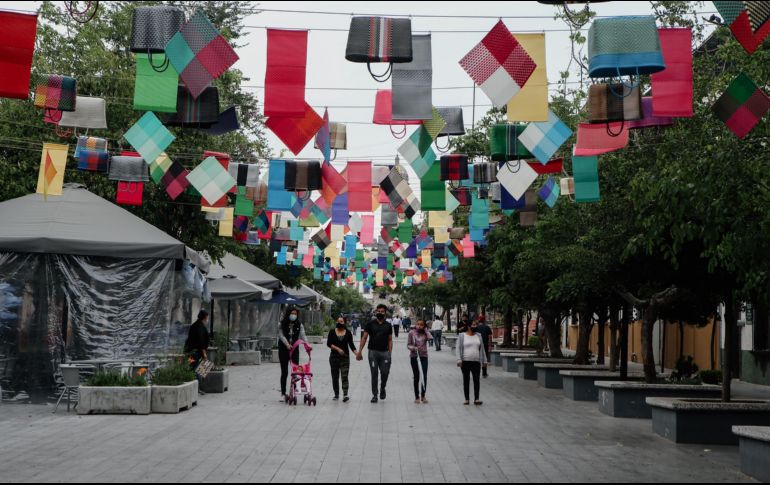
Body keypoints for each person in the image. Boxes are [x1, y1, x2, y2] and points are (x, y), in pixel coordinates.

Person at [356, 303, 393, 403]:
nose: (380, 313)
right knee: (374, 373)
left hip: (385, 353)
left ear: (385, 313)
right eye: (378, 311)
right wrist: (359, 351)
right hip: (373, 352)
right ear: (376, 312)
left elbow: (390, 340)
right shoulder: (370, 324)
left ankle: (382, 388)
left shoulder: (388, 325)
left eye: (382, 311)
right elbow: (364, 337)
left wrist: (390, 353)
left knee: (385, 373)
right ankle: (375, 395)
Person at [277, 306, 307, 401]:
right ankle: (283, 393)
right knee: (284, 372)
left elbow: (303, 335)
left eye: (295, 314)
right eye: (292, 313)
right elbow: (281, 335)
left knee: (295, 371)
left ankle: (293, 392)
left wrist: (307, 345)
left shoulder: (299, 324)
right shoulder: (281, 324)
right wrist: (287, 344)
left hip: (294, 349)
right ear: (288, 314)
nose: (293, 315)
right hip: (283, 350)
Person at [456, 318, 487, 405]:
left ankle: (476, 399)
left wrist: (484, 361)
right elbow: (458, 348)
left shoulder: (479, 336)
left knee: (476, 380)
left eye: (476, 324)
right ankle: (467, 399)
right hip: (465, 361)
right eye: (473, 325)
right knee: (466, 380)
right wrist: (459, 360)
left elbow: (482, 349)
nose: (475, 326)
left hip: (476, 362)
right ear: (469, 326)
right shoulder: (462, 336)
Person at [327, 316, 357, 402]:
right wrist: (338, 349)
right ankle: (336, 394)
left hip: (345, 357)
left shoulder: (348, 333)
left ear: (344, 323)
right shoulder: (332, 332)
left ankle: (345, 394)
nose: (339, 323)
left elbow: (351, 345)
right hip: (334, 357)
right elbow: (329, 343)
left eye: (341, 321)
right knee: (335, 377)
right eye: (338, 321)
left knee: (344, 376)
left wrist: (357, 354)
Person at [184, 310, 210, 396]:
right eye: (207, 317)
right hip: (196, 353)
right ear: (205, 317)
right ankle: (197, 388)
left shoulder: (196, 325)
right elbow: (201, 342)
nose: (208, 319)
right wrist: (204, 354)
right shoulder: (199, 327)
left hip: (192, 352)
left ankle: (197, 388)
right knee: (197, 370)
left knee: (194, 368)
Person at [407, 319, 433, 404]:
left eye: (421, 325)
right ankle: (417, 397)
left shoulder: (425, 333)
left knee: (424, 376)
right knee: (416, 376)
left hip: (423, 356)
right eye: (418, 324)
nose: (419, 326)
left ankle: (423, 396)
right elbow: (408, 345)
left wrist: (425, 330)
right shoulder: (411, 333)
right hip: (414, 357)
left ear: (424, 326)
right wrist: (413, 348)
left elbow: (430, 338)